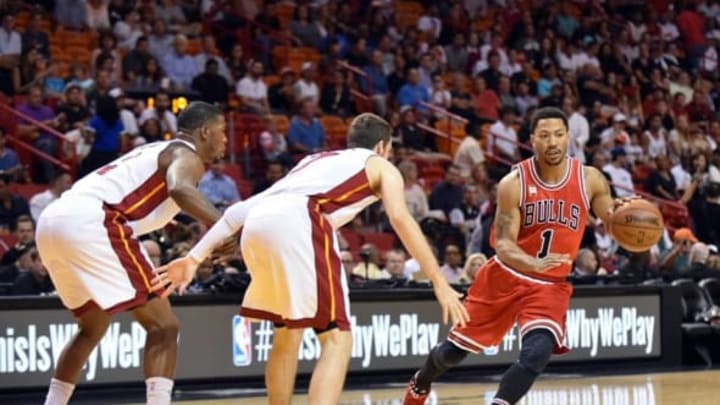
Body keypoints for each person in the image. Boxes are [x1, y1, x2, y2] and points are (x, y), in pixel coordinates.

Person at [153, 113, 469, 405]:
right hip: (301, 221)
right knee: (336, 338)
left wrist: (195, 258)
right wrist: (439, 281)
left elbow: (237, 211)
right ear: (383, 146)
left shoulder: (315, 160)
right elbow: (400, 218)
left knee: (288, 335)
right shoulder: (382, 165)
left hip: (258, 222)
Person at [403, 107, 621, 405]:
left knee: (537, 355)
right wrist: (532, 262)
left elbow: (610, 219)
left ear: (568, 137)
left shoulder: (590, 179)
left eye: (559, 135)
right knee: (451, 354)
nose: (553, 142)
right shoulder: (513, 183)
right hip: (505, 276)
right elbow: (503, 244)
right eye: (544, 136)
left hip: (549, 285)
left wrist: (624, 217)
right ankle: (420, 381)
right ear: (532, 140)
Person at [36, 101, 234, 405]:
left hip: (52, 221)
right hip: (93, 221)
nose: (225, 140)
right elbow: (180, 189)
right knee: (165, 327)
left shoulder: (155, 150)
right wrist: (224, 227)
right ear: (205, 131)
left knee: (93, 326)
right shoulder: (187, 154)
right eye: (222, 132)